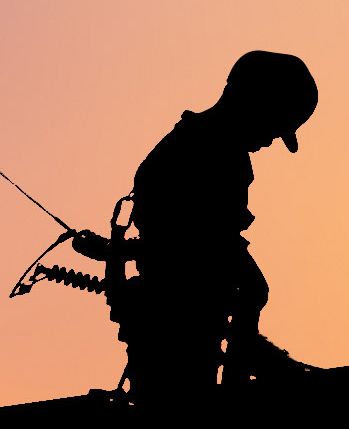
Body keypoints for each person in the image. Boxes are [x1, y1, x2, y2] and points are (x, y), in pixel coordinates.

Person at [110, 48, 317, 403]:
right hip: (178, 329)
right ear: (255, 101)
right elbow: (212, 248)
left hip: (183, 324)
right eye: (274, 125)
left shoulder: (196, 147)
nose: (269, 141)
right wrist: (253, 301)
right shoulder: (213, 157)